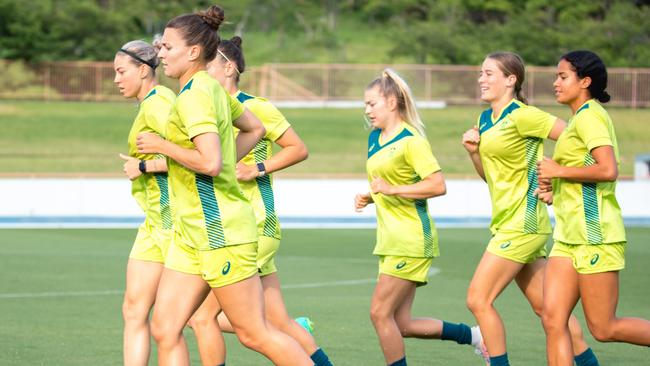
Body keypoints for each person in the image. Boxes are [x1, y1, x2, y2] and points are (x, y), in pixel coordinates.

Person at [135, 5, 313, 366]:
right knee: (165, 327)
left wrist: (162, 146)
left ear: (194, 52)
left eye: (168, 47)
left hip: (221, 233)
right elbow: (254, 129)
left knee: (254, 333)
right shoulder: (208, 89)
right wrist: (226, 160)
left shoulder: (196, 95)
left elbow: (211, 162)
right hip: (191, 235)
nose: (161, 53)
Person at [186, 36, 333, 366]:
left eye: (209, 64)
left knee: (200, 316)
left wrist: (258, 168)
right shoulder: (208, 109)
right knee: (277, 323)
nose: (203, 72)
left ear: (229, 66)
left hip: (254, 225)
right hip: (231, 228)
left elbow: (298, 148)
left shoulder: (258, 107)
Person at [461, 52, 599, 366]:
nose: (481, 79)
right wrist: (473, 153)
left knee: (478, 298)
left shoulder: (524, 115)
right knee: (550, 310)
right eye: (481, 73)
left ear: (511, 79)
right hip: (506, 222)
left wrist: (557, 177)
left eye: (489, 73)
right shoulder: (485, 119)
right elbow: (491, 177)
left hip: (523, 224)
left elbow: (575, 138)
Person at [355, 68, 487, 366]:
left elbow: (437, 185)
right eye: (365, 104)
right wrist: (371, 195)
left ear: (391, 102)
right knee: (401, 323)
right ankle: (476, 337)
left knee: (379, 313)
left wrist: (390, 188)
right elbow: (388, 184)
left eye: (371, 104)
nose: (367, 110)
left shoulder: (412, 140)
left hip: (412, 239)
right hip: (390, 241)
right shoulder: (375, 138)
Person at [538, 50, 650, 366]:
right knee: (552, 319)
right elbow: (582, 174)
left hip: (595, 236)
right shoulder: (577, 120)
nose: (556, 83)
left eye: (563, 76)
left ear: (584, 81)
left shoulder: (591, 116)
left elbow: (607, 169)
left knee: (603, 327)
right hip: (568, 238)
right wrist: (553, 189)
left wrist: (558, 172)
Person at [114, 39, 176, 366]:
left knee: (182, 319)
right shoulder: (150, 103)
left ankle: (283, 329)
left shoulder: (159, 103)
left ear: (142, 70)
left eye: (121, 71)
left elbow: (194, 157)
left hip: (177, 224)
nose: (116, 79)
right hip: (155, 223)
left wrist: (142, 166)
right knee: (134, 309)